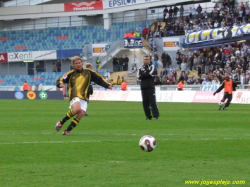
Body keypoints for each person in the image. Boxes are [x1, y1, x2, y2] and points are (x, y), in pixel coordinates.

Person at [55, 56, 112, 135]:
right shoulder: (70, 74)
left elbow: (99, 78)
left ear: (82, 63)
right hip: (74, 95)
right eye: (76, 63)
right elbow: (61, 79)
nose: (78, 64)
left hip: (84, 97)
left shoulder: (89, 72)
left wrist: (107, 85)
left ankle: (67, 131)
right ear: (73, 65)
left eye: (79, 63)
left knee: (81, 113)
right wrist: (60, 84)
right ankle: (61, 122)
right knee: (77, 109)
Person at [137, 55, 160, 120]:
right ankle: (148, 116)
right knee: (145, 103)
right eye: (145, 59)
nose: (146, 60)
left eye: (147, 59)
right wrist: (145, 74)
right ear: (143, 60)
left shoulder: (152, 66)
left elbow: (150, 74)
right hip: (143, 87)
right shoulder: (140, 68)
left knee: (152, 102)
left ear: (149, 60)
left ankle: (156, 116)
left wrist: (143, 75)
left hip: (150, 86)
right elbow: (138, 76)